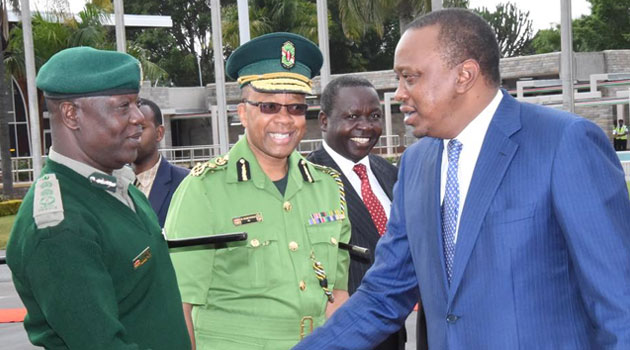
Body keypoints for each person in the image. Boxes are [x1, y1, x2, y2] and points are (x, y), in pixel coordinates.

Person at [294, 8, 630, 350]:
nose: (398, 94)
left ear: (464, 75)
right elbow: (383, 294)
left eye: (410, 77)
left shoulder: (564, 143)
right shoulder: (415, 165)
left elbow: (619, 303)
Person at [165, 32, 351, 350]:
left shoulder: (327, 188)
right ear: (243, 113)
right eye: (268, 106)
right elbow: (177, 306)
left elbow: (337, 295)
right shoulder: (204, 191)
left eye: (295, 108)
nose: (284, 120)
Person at [6, 47, 191, 349]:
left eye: (137, 104)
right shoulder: (60, 226)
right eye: (123, 107)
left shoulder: (115, 185)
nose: (138, 119)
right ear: (72, 114)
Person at [307, 76, 419, 350]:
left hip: (394, 334)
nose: (366, 126)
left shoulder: (391, 172)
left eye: (374, 116)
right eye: (352, 116)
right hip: (342, 334)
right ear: (324, 121)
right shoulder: (308, 181)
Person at [133, 98, 189, 227]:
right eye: (125, 128)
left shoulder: (185, 182)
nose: (132, 134)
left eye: (141, 128)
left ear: (159, 133)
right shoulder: (114, 183)